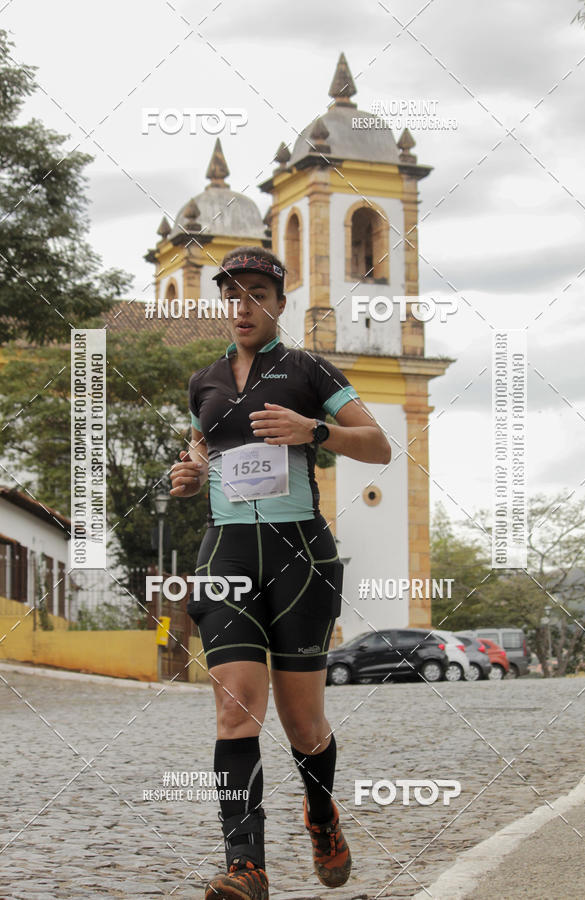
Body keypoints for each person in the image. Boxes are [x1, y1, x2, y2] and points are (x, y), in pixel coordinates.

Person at [169, 246, 391, 900]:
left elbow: (377, 444)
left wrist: (312, 430)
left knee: (303, 727)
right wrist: (188, 475)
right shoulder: (203, 382)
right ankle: (246, 867)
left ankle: (322, 817)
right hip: (226, 553)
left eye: (257, 294)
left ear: (279, 303)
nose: (244, 306)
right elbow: (201, 452)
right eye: (233, 294)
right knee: (236, 708)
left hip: (300, 555)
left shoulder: (308, 370)